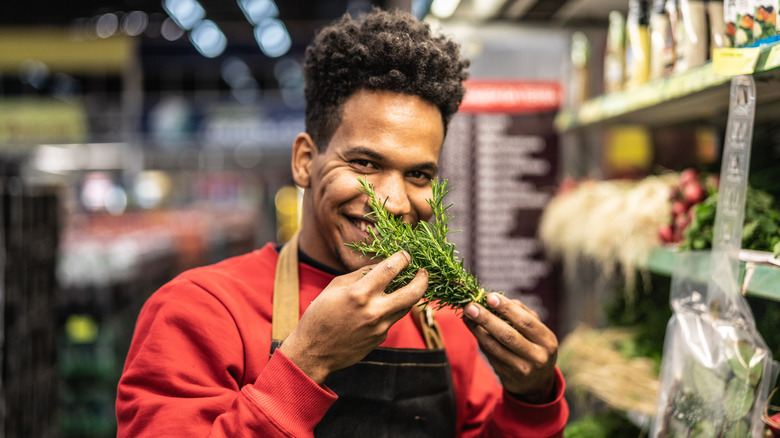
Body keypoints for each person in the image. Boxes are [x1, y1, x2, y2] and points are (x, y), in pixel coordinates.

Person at [116, 7, 568, 437]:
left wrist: (532, 399)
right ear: (304, 162)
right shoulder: (200, 312)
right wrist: (307, 361)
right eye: (366, 163)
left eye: (418, 174)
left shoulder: (441, 323)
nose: (391, 202)